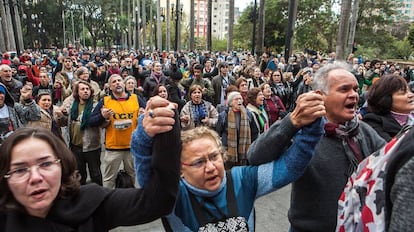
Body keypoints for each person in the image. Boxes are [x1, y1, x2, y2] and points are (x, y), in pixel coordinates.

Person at [133, 92, 326, 231]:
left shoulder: (242, 179)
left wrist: (311, 123)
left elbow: (289, 168)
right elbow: (147, 176)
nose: (210, 167)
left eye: (214, 157)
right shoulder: (173, 196)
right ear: (180, 170)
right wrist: (145, 133)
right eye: (198, 162)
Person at [0, 97, 181, 231]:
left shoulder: (90, 204)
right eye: (20, 170)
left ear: (61, 166)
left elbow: (157, 201)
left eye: (45, 164)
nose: (35, 178)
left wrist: (159, 132)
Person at [248, 62, 387, 232]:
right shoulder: (305, 133)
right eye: (344, 89)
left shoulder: (363, 131)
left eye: (355, 89)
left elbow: (390, 163)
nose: (354, 95)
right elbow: (255, 156)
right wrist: (291, 122)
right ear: (320, 96)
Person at [88, 74, 143, 188]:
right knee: (108, 180)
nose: (117, 83)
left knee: (132, 177)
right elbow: (91, 121)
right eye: (114, 82)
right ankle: (107, 202)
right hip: (113, 148)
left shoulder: (135, 99)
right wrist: (102, 116)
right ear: (110, 87)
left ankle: (130, 202)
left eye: (119, 80)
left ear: (124, 84)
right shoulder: (105, 101)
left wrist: (143, 115)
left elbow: (149, 114)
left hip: (132, 147)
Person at [64, 80, 103, 185]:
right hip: (75, 146)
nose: (85, 91)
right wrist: (60, 115)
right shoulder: (72, 105)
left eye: (87, 89)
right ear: (77, 92)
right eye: (82, 89)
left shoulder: (96, 106)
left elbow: (103, 123)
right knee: (80, 175)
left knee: (95, 174)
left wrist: (104, 117)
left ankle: (99, 196)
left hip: (92, 146)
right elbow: (64, 122)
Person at [363, 74, 414, 141]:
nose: (411, 95)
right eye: (403, 92)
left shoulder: (411, 118)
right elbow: (391, 149)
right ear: (386, 99)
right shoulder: (373, 122)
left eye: (409, 91)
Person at [216, 91, 253, 169]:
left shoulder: (248, 114)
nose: (239, 101)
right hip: (229, 150)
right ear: (231, 102)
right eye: (236, 99)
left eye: (240, 99)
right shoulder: (223, 115)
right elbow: (218, 132)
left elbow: (255, 131)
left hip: (244, 150)